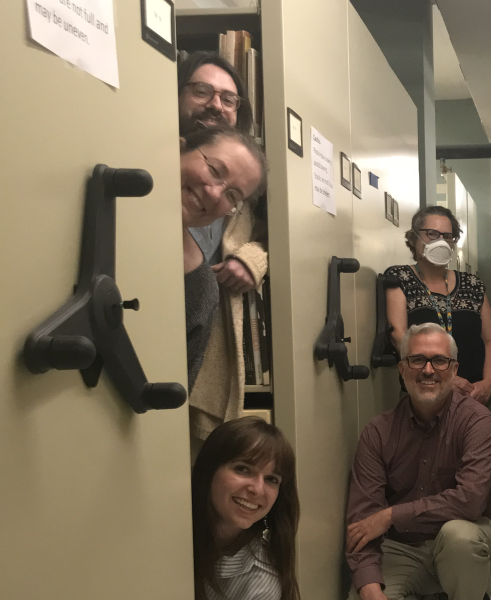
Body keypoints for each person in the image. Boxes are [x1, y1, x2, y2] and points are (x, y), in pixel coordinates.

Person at [345, 323, 491, 600]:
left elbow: (470, 501)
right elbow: (363, 520)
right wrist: (368, 585)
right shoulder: (377, 432)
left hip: (468, 539)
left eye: (440, 361)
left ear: (454, 371)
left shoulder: (477, 421)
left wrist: (391, 515)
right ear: (402, 369)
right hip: (401, 548)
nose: (428, 370)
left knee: (459, 538)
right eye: (417, 360)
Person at [179, 52, 271, 445]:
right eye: (202, 91)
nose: (216, 104)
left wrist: (254, 259)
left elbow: (281, 236)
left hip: (196, 368)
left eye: (229, 99)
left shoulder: (245, 188)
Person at [384, 205, 491, 457]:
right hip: (427, 393)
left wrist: (488, 383)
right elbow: (399, 335)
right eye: (431, 234)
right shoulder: (400, 278)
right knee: (430, 474)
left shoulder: (472, 284)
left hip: (479, 396)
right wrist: (449, 380)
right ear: (414, 238)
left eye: (448, 236)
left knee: (482, 474)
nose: (440, 241)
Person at [182, 126, 266, 392]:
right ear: (178, 147)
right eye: (215, 170)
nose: (215, 193)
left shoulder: (200, 290)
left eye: (232, 196)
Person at [191, 416, 301, 600]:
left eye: (271, 479)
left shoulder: (260, 583)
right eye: (243, 469)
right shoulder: (163, 528)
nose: (257, 489)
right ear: (209, 470)